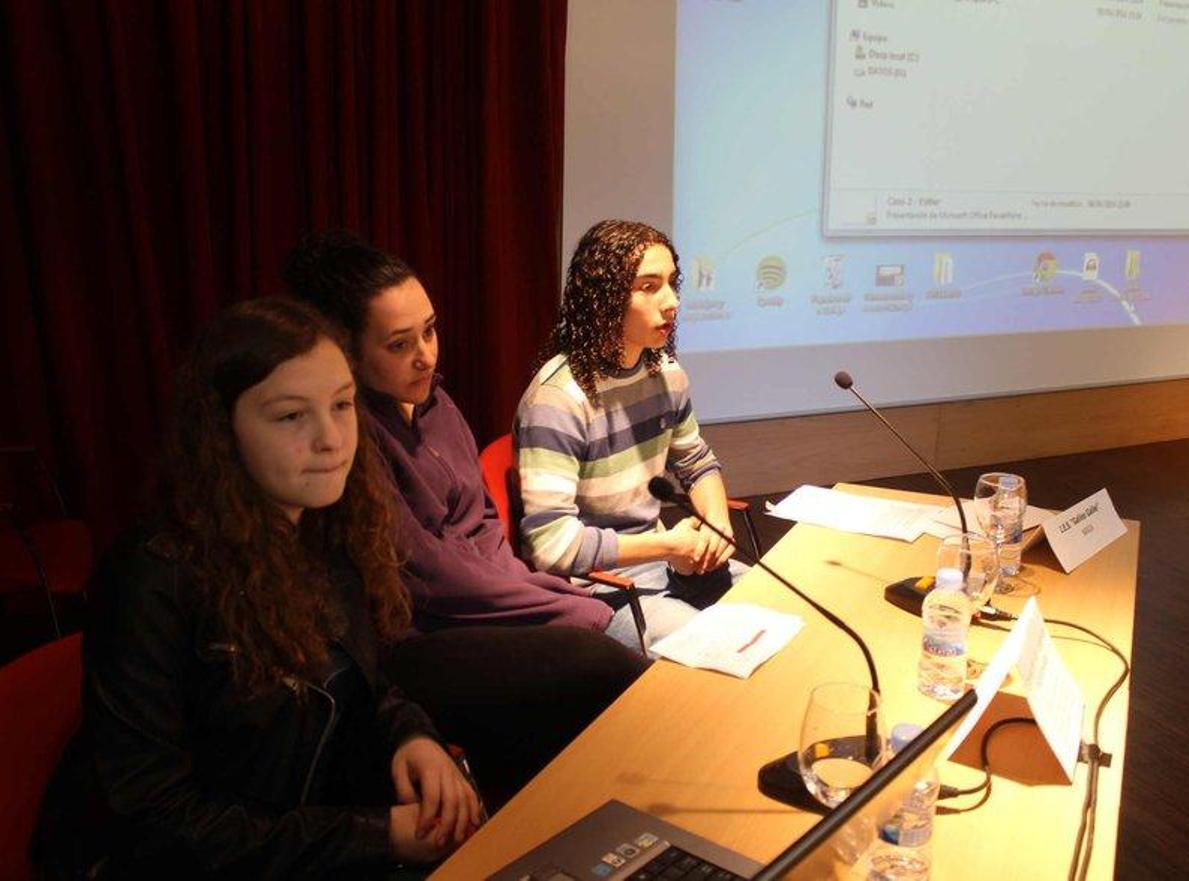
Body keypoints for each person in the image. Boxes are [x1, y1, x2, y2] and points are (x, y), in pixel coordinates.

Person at [82, 300, 645, 879]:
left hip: (323, 843)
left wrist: (412, 737)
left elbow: (364, 685)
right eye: (290, 416)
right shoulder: (152, 578)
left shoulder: (328, 531)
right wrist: (380, 836)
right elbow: (154, 823)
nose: (331, 439)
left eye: (341, 405)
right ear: (222, 433)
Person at [283, 231, 647, 649]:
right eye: (399, 345)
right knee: (609, 649)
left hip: (494, 600)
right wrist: (560, 609)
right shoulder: (354, 437)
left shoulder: (437, 403)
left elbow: (484, 524)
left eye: (429, 331)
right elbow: (426, 574)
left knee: (618, 635)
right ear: (347, 352)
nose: (425, 356)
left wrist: (542, 595)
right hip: (426, 631)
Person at [514, 219, 746, 649]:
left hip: (664, 561)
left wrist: (717, 524)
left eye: (673, 284)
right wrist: (667, 545)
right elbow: (552, 547)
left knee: (775, 611)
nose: (672, 302)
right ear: (605, 297)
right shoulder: (558, 400)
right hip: (596, 588)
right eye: (649, 287)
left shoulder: (667, 374)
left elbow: (697, 464)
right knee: (713, 649)